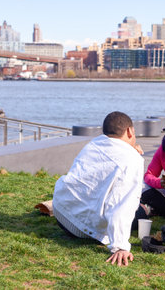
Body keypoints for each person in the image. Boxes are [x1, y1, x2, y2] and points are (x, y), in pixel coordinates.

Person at [52, 111, 144, 266]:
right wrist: (120, 246)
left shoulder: (93, 145)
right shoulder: (132, 159)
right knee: (141, 213)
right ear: (129, 131)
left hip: (61, 210)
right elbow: (122, 204)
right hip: (82, 228)